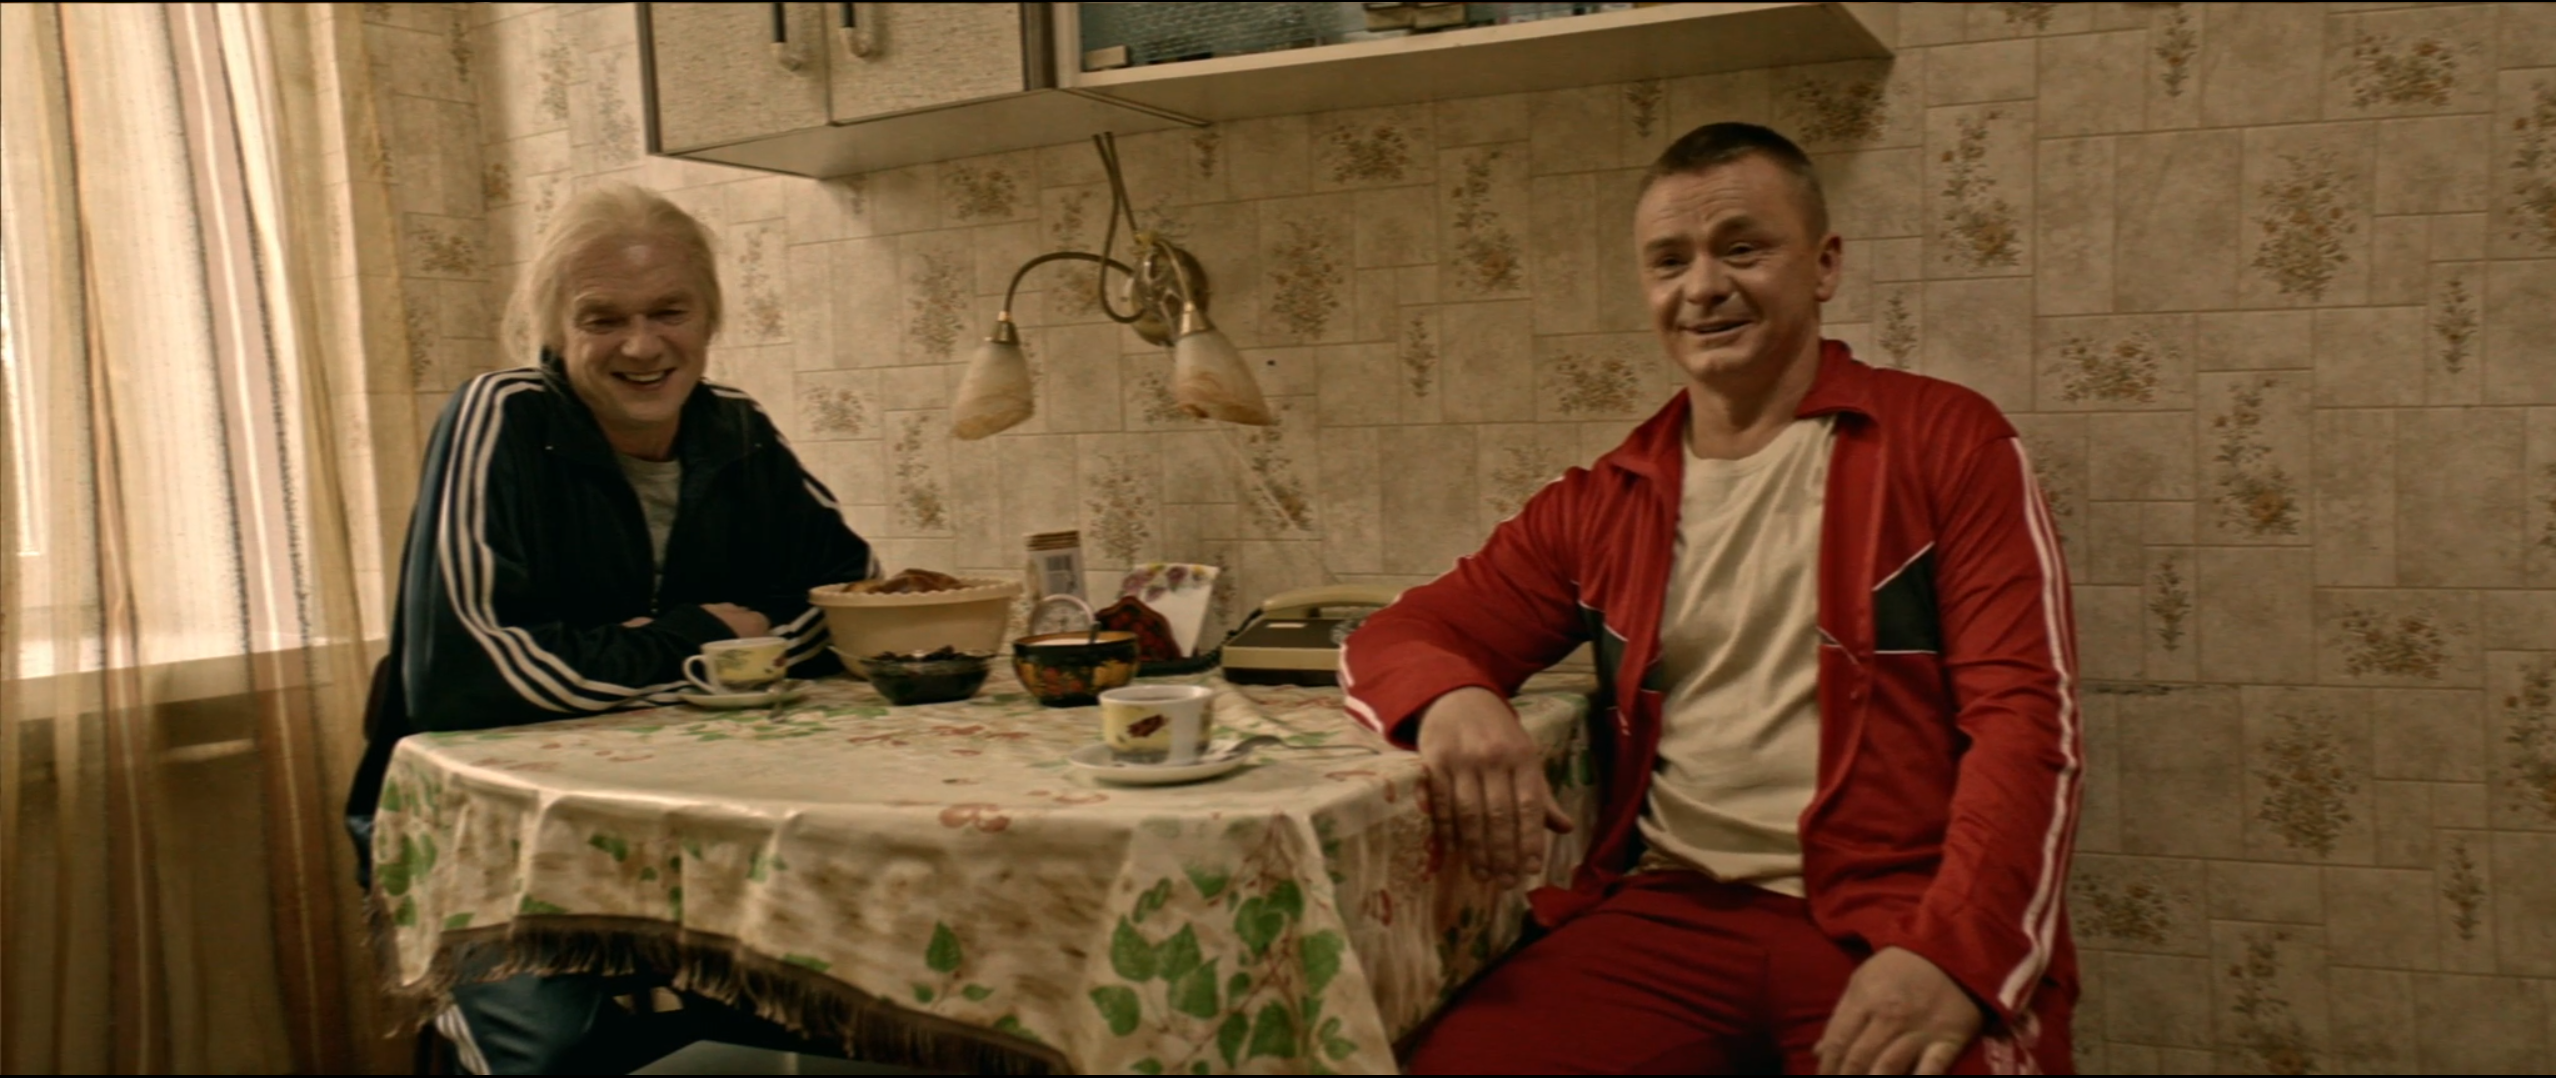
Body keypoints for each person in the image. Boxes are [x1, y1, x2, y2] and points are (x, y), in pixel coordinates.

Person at [1340, 123, 2080, 1075]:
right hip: (1666, 914)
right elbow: (1402, 631)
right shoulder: (1608, 499)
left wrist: (1955, 955)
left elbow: (2029, 723)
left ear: (1824, 264)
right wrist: (1452, 697)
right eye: (1669, 261)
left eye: (1742, 248)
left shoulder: (1949, 444)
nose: (1702, 287)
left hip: (1898, 917)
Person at [344, 183, 876, 1074]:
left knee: (833, 1007)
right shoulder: (500, 415)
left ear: (709, 318)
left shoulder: (737, 429)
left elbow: (851, 603)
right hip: (489, 840)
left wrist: (620, 653)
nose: (641, 345)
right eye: (603, 319)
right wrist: (696, 637)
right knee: (559, 1055)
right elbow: (466, 676)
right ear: (556, 329)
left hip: (690, 823)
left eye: (669, 311)